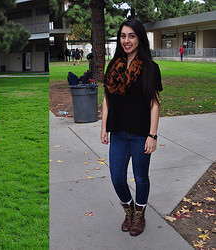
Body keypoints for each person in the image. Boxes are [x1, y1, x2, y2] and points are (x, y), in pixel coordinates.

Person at [100, 19, 162, 237]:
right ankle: (128, 209)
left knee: (141, 177)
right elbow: (107, 97)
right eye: (123, 36)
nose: (126, 40)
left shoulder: (150, 68)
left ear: (140, 38)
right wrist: (103, 126)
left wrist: (152, 135)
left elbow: (154, 103)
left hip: (140, 134)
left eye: (131, 36)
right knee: (117, 177)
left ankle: (139, 214)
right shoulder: (114, 65)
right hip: (117, 132)